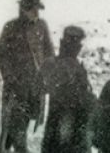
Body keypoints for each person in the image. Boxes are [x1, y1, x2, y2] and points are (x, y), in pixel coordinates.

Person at [0, 0, 55, 153]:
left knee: (25, 120)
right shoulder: (11, 27)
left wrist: (48, 76)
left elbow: (49, 53)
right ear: (23, 9)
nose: (36, 13)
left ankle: (4, 147)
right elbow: (1, 55)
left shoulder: (42, 26)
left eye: (37, 9)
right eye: (32, 9)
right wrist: (10, 78)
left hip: (35, 85)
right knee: (16, 123)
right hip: (17, 86)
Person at [39, 25, 96, 153]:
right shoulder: (76, 69)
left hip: (54, 130)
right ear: (77, 47)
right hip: (70, 132)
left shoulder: (51, 64)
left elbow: (40, 88)